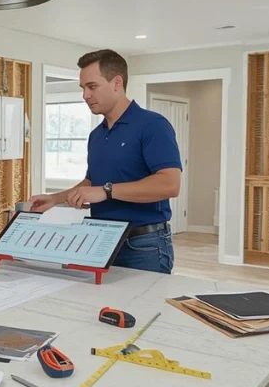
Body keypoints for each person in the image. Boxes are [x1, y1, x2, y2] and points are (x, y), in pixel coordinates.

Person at [29, 49, 182, 274]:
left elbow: (170, 184)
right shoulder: (97, 135)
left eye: (92, 87)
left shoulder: (153, 125)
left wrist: (107, 191)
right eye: (83, 88)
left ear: (117, 83)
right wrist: (55, 199)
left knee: (142, 309)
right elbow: (92, 183)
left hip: (143, 246)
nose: (85, 95)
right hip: (100, 241)